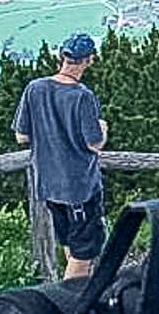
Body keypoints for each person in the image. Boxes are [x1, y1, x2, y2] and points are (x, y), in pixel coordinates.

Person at [11, 31, 107, 280]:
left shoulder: (35, 89)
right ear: (89, 60)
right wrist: (103, 127)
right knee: (84, 254)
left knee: (70, 245)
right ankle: (71, 306)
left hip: (49, 185)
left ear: (61, 57)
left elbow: (22, 137)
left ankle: (78, 292)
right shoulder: (82, 96)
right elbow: (94, 143)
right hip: (78, 187)